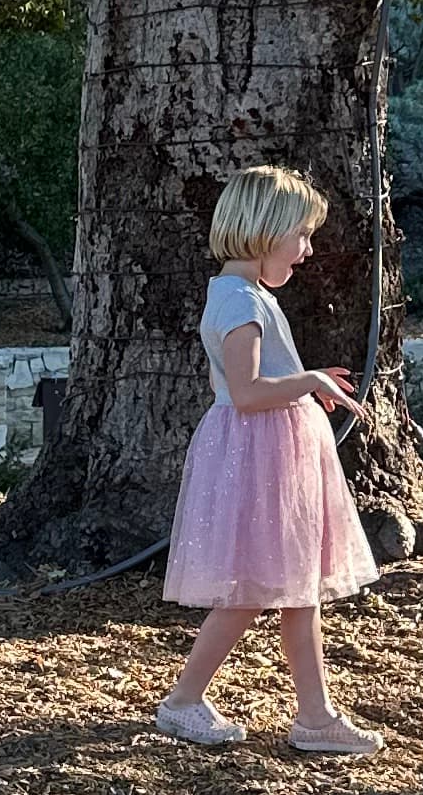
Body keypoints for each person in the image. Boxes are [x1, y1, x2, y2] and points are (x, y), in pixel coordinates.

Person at [158, 160, 382, 755]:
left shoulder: (243, 294)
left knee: (295, 586)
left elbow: (262, 381)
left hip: (274, 452)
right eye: (301, 234)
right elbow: (249, 392)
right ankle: (184, 701)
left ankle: (314, 716)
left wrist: (304, 379)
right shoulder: (239, 303)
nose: (307, 250)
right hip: (260, 457)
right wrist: (308, 379)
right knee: (256, 589)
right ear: (263, 230)